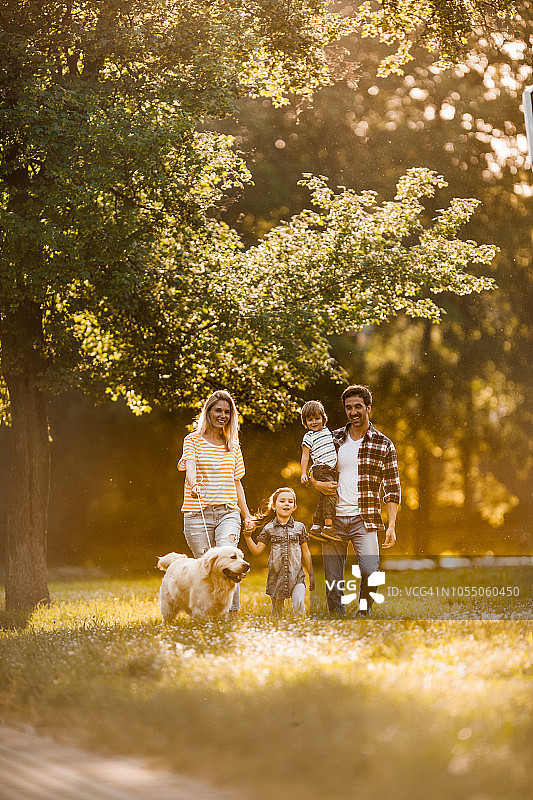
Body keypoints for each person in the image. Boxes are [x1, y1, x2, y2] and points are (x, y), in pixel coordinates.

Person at [310, 385, 400, 618]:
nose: (353, 412)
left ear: (368, 407)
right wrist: (316, 484)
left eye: (358, 406)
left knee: (371, 570)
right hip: (333, 519)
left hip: (365, 518)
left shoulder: (383, 444)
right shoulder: (333, 438)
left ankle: (364, 611)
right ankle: (336, 615)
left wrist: (391, 525)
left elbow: (392, 487)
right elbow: (314, 469)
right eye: (349, 408)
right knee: (332, 576)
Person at [177, 390, 253, 616]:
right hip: (196, 513)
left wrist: (246, 515)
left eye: (227, 412)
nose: (222, 415)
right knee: (206, 567)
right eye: (218, 410)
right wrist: (193, 484)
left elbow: (237, 482)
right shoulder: (192, 440)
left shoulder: (233, 445)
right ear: (208, 411)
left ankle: (232, 616)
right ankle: (206, 613)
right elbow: (189, 463)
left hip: (228, 512)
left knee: (232, 561)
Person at [244, 487, 315, 618]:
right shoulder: (269, 528)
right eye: (282, 501)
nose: (286, 503)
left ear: (294, 507)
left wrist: (311, 573)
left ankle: (300, 631)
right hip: (276, 576)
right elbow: (257, 551)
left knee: (299, 605)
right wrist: (248, 537)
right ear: (274, 506)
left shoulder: (300, 527)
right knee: (277, 614)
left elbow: (306, 551)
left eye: (290, 501)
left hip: (297, 575)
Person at [300, 400, 339, 542]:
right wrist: (303, 473)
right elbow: (305, 456)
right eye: (310, 420)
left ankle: (316, 526)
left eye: (317, 418)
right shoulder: (309, 436)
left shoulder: (327, 431)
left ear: (323, 417)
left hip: (328, 469)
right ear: (305, 422)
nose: (314, 422)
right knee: (331, 494)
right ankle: (328, 526)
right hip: (321, 468)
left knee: (324, 496)